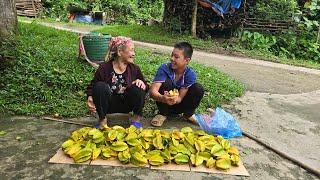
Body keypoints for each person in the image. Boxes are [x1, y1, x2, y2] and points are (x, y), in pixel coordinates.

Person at [86, 36, 148, 128]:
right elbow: (93, 86)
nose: (134, 53)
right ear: (119, 52)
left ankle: (136, 119)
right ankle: (102, 120)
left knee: (139, 87)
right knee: (100, 86)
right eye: (131, 50)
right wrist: (90, 97)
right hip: (109, 105)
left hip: (127, 104)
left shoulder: (134, 69)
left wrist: (142, 83)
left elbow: (146, 87)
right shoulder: (104, 68)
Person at [149, 42, 204, 127]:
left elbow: (180, 98)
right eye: (172, 55)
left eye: (176, 57)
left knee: (198, 88)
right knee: (167, 83)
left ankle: (188, 115)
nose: (172, 59)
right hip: (163, 103)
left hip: (179, 105)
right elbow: (152, 92)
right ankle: (162, 114)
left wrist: (175, 99)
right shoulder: (164, 68)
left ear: (187, 60)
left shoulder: (190, 74)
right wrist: (163, 98)